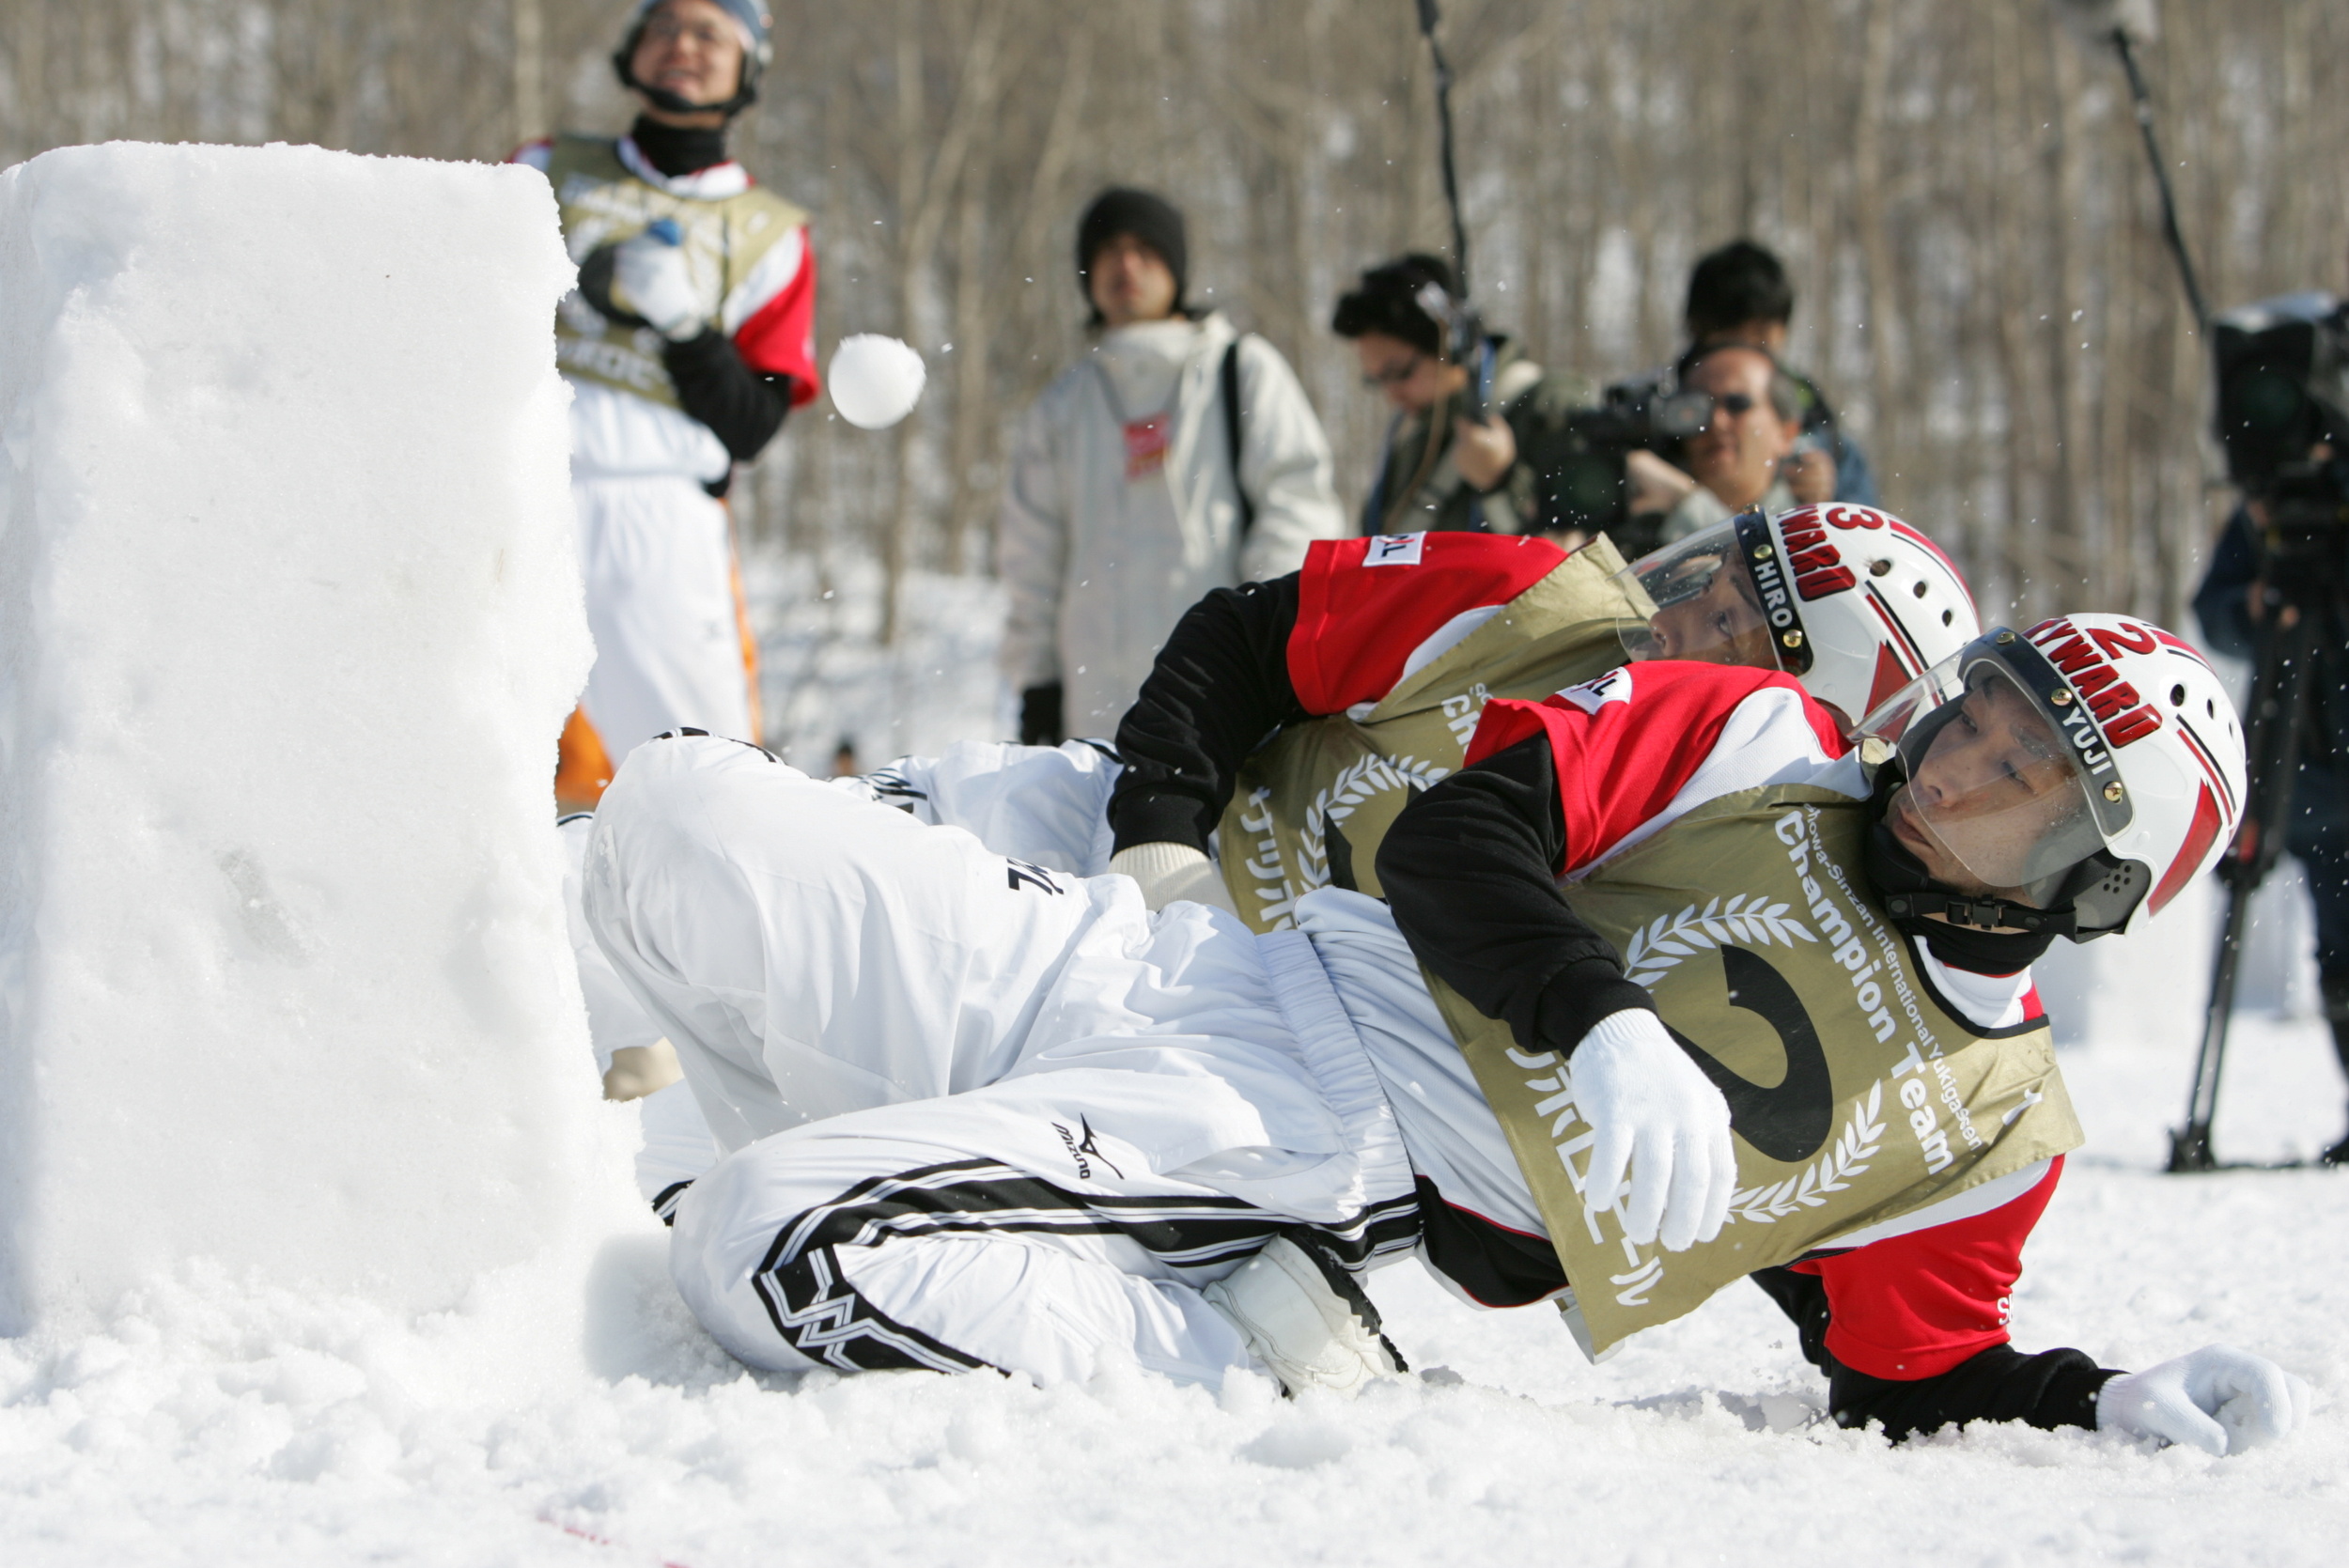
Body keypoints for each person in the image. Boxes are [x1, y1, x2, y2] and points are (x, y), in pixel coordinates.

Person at [581, 605, 2307, 1454]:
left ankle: (1253, 1330)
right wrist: (1599, 1012)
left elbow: (1905, 1370)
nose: (1953, 761)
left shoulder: (1989, 1117)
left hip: (1314, 1148)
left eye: (2019, 776)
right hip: (1204, 967)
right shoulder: (1768, 733)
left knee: (778, 1240)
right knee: (671, 821)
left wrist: (2093, 1394)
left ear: (2095, 880)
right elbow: (1458, 834)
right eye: (1981, 711)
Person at [1103, 504, 1977, 924]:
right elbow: (1243, 636)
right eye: (1706, 583)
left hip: (1262, 1052)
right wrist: (1163, 836)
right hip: (1134, 866)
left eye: (1723, 622)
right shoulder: (1532, 603)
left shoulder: (1744, 860)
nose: (1670, 616)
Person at [514, 0, 818, 811]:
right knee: (484, 748)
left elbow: (751, 426)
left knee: (702, 782)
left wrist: (686, 326)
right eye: (663, 26)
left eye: (710, 33)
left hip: (656, 513)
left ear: (748, 66)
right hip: (519, 479)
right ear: (631, 52)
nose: (682, 45)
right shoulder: (545, 167)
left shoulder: (773, 233)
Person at [999, 188, 1346, 747]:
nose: (1126, 265)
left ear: (1177, 267)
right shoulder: (1062, 406)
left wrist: (1267, 652)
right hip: (1096, 715)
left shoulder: (1241, 370)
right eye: (1108, 249)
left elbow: (1296, 509)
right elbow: (1031, 561)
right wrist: (1038, 682)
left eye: (1145, 248)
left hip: (1228, 704)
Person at [2193, 458, 2349, 1165]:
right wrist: (2259, 597)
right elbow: (2216, 612)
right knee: (2341, 954)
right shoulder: (2278, 501)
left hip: (2312, 764)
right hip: (2310, 767)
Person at [1331, 254, 1596, 538]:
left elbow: (1582, 556)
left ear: (1453, 343)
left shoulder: (1553, 406)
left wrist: (1500, 483)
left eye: (1401, 372)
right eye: (1377, 379)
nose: (1392, 395)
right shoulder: (1414, 438)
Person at [1626, 239, 1876, 512]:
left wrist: (1828, 508)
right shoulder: (1643, 410)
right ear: (1696, 332)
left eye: (1738, 404)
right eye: (1728, 343)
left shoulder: (1823, 432)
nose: (1718, 422)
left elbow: (1868, 545)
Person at [1653, 344, 1809, 543]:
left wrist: (1690, 504)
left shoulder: (1819, 532)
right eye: (1698, 408)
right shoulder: (1639, 527)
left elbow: (1755, 567)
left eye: (1737, 404)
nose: (1716, 422)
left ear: (1787, 433)